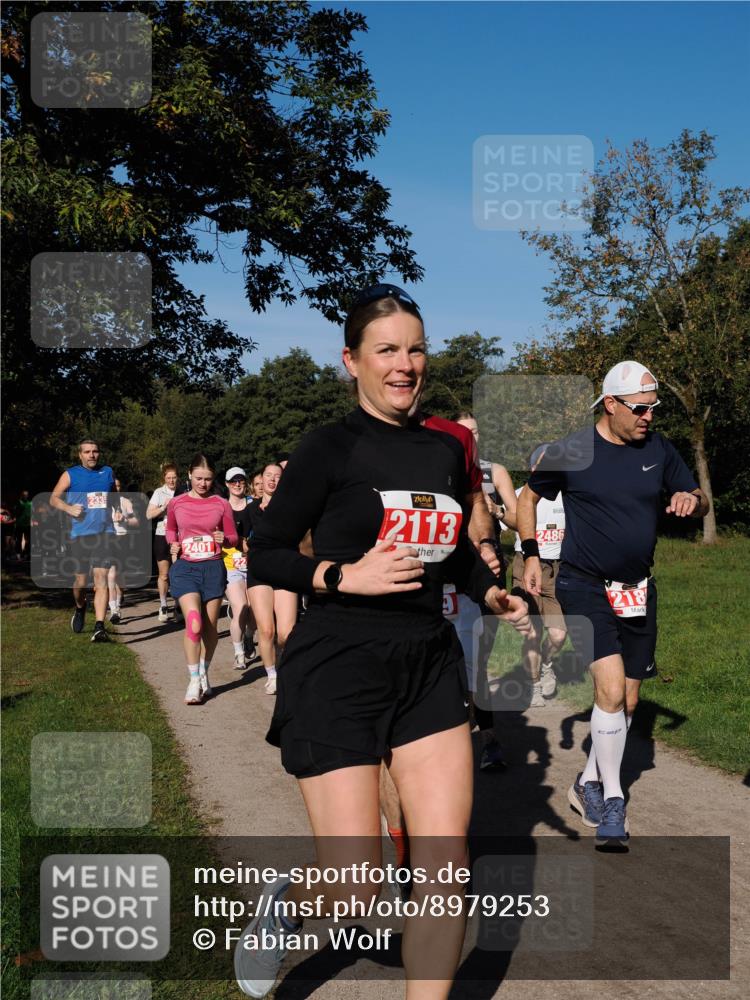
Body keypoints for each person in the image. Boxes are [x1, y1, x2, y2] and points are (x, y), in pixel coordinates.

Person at [234, 283, 530, 998]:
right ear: (352, 362)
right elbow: (266, 549)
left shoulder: (440, 452)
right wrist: (341, 575)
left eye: (416, 348)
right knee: (356, 885)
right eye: (387, 350)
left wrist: (489, 587)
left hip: (426, 662)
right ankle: (290, 906)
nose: (405, 364)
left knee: (444, 862)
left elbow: (451, 546)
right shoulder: (328, 449)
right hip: (337, 663)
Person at [518, 361, 708, 846]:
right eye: (640, 408)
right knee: (607, 690)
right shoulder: (574, 450)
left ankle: (586, 782)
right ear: (611, 404)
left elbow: (698, 494)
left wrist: (691, 499)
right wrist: (532, 552)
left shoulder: (659, 449)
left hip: (638, 587)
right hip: (585, 585)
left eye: (653, 408)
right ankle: (614, 802)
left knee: (626, 699)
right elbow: (526, 498)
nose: (648, 417)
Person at [165, 455, 237, 705]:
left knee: (209, 628)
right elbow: (171, 529)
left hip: (213, 568)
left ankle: (204, 672)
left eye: (207, 479)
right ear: (189, 476)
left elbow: (233, 537)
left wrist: (223, 539)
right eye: (198, 479)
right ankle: (194, 680)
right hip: (186, 568)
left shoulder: (221, 504)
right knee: (193, 623)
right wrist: (172, 544)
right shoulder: (176, 503)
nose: (203, 484)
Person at [511, 446, 567, 707]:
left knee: (557, 636)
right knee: (531, 633)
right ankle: (533, 685)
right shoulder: (519, 495)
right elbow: (502, 521)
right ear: (534, 468)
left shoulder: (566, 496)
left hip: (556, 570)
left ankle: (547, 664)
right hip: (525, 566)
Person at [50, 439, 116, 642]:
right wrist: (69, 509)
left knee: (101, 580)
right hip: (80, 535)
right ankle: (80, 607)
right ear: (80, 455)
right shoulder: (71, 474)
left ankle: (99, 627)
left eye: (95, 451)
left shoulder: (107, 472)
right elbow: (53, 498)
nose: (92, 455)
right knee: (80, 581)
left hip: (104, 533)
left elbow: (112, 495)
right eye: (87, 452)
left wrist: (117, 510)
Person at [245, 463, 298, 694]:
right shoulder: (251, 510)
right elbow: (242, 540)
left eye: (278, 476)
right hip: (259, 571)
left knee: (286, 633)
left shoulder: (292, 508)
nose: (273, 480)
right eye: (269, 475)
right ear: (261, 479)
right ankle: (273, 675)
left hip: (285, 570)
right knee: (266, 630)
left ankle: (280, 657)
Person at [222, 466, 256, 670]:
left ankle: (249, 636)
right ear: (227, 484)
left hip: (253, 564)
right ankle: (238, 654)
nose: (237, 484)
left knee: (254, 610)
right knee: (240, 606)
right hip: (230, 564)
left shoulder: (254, 504)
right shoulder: (221, 506)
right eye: (233, 481)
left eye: (241, 480)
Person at [147, 464, 178, 622]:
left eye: (174, 477)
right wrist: (163, 507)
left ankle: (179, 606)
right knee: (164, 575)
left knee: (179, 574)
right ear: (164, 478)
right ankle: (164, 605)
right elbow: (148, 514)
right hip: (162, 535)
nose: (171, 480)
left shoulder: (184, 492)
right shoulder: (159, 492)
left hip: (180, 536)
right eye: (168, 478)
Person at [107, 478, 140, 624]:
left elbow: (136, 521)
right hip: (108, 539)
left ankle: (119, 601)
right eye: (113, 487)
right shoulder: (104, 503)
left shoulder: (125, 502)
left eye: (118, 486)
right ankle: (114, 609)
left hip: (122, 540)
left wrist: (125, 520)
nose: (116, 489)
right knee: (111, 574)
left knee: (119, 576)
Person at [13, 489, 32, 559]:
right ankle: (18, 554)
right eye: (24, 495)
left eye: (26, 495)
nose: (25, 496)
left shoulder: (30, 503)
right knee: (19, 540)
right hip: (19, 525)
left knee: (28, 540)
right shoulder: (18, 503)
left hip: (27, 525)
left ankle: (26, 553)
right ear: (22, 495)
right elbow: (16, 512)